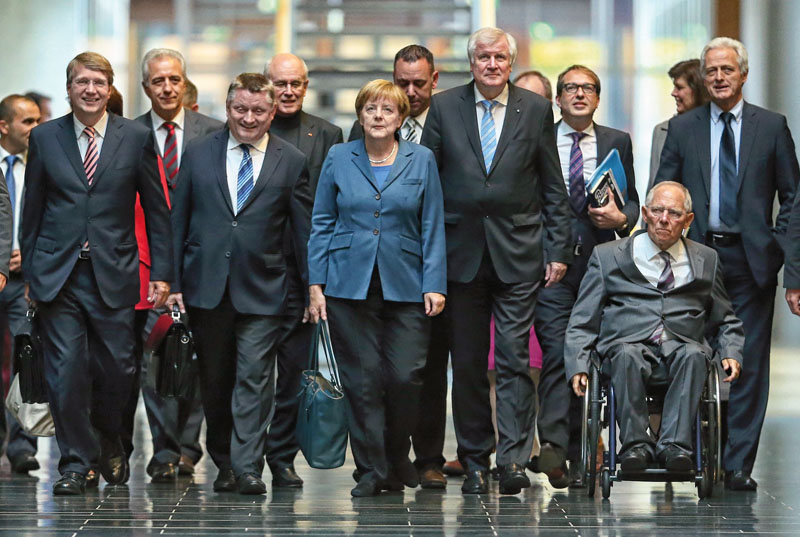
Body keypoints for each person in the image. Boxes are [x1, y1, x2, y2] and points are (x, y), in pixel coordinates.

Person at [421, 27, 572, 495]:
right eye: (483, 56)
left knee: (512, 359)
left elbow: (552, 185)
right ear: (472, 62)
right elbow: (426, 179)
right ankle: (475, 459)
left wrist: (559, 250)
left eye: (500, 57)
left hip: (519, 252)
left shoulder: (536, 110)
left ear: (511, 62)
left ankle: (510, 460)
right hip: (459, 255)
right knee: (466, 364)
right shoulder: (445, 107)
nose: (491, 64)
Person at [21, 51, 172, 495]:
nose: (90, 90)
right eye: (82, 82)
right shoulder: (46, 138)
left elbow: (159, 209)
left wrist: (162, 272)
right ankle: (75, 462)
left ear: (110, 89)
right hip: (59, 273)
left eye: (99, 83)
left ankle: (110, 438)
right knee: (64, 373)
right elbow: (33, 207)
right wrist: (31, 270)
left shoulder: (136, 136)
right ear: (69, 88)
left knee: (118, 371)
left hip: (115, 271)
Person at [656, 37, 800, 491]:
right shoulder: (684, 129)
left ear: (743, 74)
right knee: (696, 355)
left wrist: (786, 261)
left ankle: (737, 464)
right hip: (696, 258)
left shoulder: (771, 126)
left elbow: (793, 199)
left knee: (749, 363)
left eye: (727, 70)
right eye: (711, 70)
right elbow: (665, 193)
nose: (718, 77)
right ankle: (701, 455)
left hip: (753, 259)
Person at [167, 73, 312, 496]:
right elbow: (179, 220)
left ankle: (248, 467)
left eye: (258, 111)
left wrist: (310, 290)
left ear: (272, 112)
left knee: (254, 377)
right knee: (215, 380)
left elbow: (302, 231)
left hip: (265, 287)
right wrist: (173, 281)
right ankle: (225, 461)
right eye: (240, 109)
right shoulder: (197, 153)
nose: (248, 118)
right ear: (228, 108)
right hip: (206, 285)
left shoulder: (291, 160)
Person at [307, 79, 446, 497]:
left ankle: (394, 455)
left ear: (401, 118)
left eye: (388, 110)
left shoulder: (421, 159)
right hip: (348, 283)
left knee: (406, 377)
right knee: (362, 380)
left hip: (407, 282)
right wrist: (316, 284)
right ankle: (371, 470)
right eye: (371, 109)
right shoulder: (338, 156)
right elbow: (322, 221)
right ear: (360, 115)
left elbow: (432, 223)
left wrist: (435, 282)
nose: (379, 117)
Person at [565, 181, 743, 470]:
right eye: (657, 210)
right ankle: (635, 446)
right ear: (645, 213)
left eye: (673, 213)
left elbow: (725, 317)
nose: (663, 219)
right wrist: (579, 363)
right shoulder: (608, 256)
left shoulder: (706, 259)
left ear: (688, 220)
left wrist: (731, 351)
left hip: (683, 345)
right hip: (627, 345)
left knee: (695, 355)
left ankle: (674, 447)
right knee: (625, 354)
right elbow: (582, 319)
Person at [532, 64, 639, 488]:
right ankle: (555, 443)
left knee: (589, 355)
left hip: (601, 264)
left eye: (588, 88)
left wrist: (622, 218)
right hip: (550, 264)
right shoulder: (539, 138)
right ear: (556, 99)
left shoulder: (617, 141)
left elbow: (632, 201)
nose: (579, 94)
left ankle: (582, 451)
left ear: (598, 97)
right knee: (559, 350)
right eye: (570, 88)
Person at [130, 47, 223, 484]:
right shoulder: (127, 136)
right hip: (147, 266)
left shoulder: (216, 133)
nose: (167, 88)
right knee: (156, 360)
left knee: (200, 358)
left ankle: (189, 446)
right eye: (157, 81)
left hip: (206, 264)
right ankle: (165, 450)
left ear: (185, 84)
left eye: (174, 80)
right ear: (145, 87)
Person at [263, 52, 343, 488]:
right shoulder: (249, 127)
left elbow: (331, 206)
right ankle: (239, 454)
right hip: (253, 269)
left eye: (296, 83)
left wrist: (321, 279)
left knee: (295, 371)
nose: (288, 91)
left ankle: (280, 456)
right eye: (280, 83)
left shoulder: (328, 134)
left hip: (305, 270)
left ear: (306, 86)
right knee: (248, 370)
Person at [0, 94, 40, 473]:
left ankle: (23, 446)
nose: (35, 129)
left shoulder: (41, 167)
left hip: (25, 282)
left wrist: (29, 256)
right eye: (27, 122)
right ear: (4, 126)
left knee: (24, 360)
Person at [647, 59, 707, 192]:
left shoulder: (717, 129)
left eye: (679, 88)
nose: (673, 93)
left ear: (698, 90)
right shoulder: (662, 130)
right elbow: (654, 189)